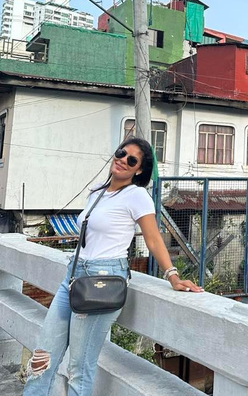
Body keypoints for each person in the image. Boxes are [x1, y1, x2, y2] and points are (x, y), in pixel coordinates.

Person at [23, 137, 202, 396]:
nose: (122, 160)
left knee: (79, 367)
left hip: (102, 279)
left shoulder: (137, 196)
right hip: (74, 274)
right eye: (121, 153)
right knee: (43, 354)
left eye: (132, 160)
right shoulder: (97, 191)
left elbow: (153, 239)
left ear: (138, 170)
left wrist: (172, 275)